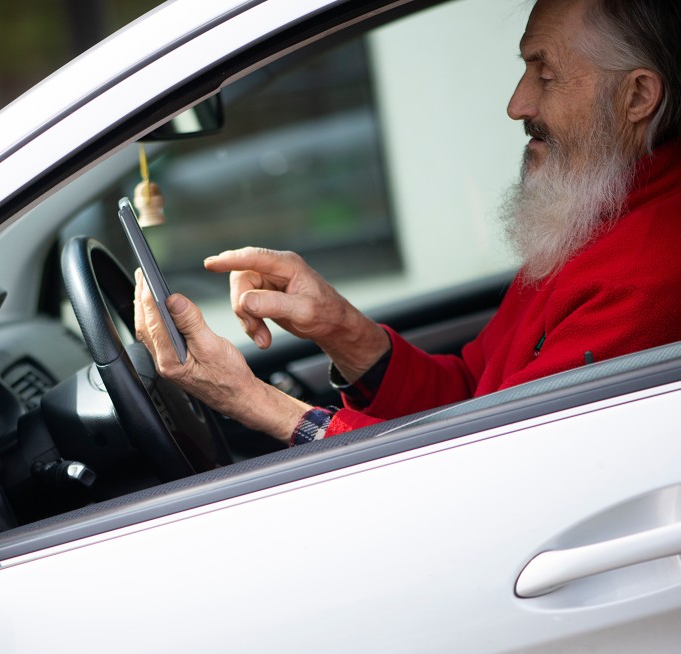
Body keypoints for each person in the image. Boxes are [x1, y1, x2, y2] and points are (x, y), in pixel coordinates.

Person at [134, 0, 681, 446]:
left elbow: (489, 471)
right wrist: (338, 326)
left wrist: (250, 399)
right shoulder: (602, 216)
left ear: (636, 96)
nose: (518, 103)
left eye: (546, 74)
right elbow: (473, 394)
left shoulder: (647, 275)